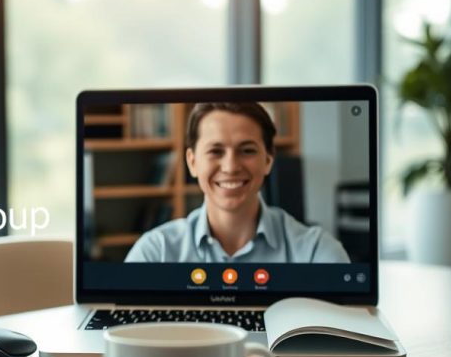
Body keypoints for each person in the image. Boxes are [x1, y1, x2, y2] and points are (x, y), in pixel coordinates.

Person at [124, 102, 350, 264]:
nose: (231, 167)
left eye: (247, 150)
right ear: (192, 162)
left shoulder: (316, 252)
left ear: (268, 160)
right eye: (215, 151)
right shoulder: (155, 252)